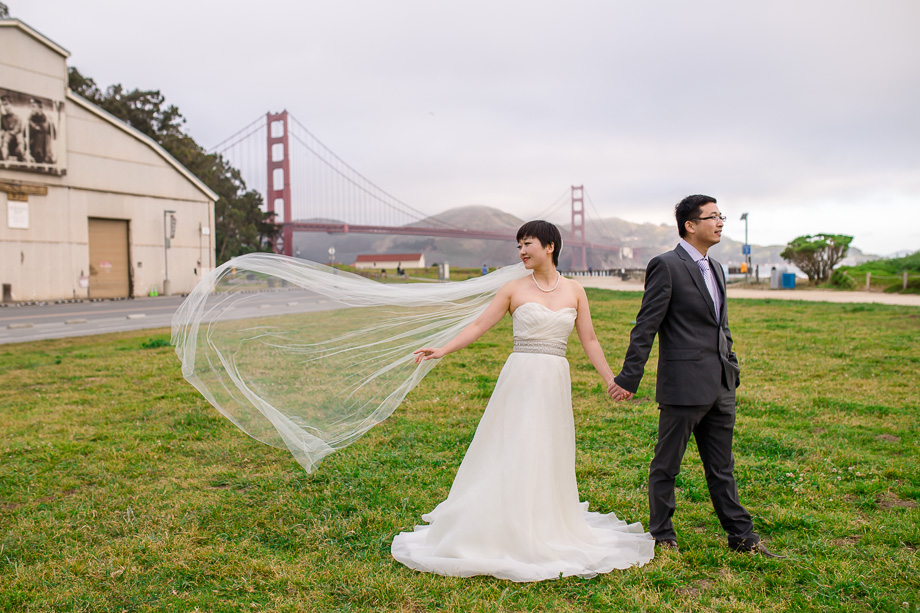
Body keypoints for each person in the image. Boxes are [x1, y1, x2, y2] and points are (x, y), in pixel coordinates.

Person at [391, 220, 654, 582]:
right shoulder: (513, 288)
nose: (521, 252)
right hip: (520, 376)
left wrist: (612, 380)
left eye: (527, 244)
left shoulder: (576, 291)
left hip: (554, 380)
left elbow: (589, 340)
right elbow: (478, 326)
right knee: (512, 444)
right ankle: (501, 520)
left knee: (547, 448)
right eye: (518, 246)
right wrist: (443, 349)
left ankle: (543, 519)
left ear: (549, 246)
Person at [607, 195, 783, 558]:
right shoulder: (666, 266)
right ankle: (663, 534)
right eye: (713, 217)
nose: (720, 223)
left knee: (722, 467)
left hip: (721, 384)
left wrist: (730, 364)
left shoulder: (716, 268)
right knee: (667, 464)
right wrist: (628, 378)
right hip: (683, 385)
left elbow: (721, 325)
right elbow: (646, 326)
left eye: (722, 216)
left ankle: (741, 536)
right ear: (690, 225)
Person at [28, 98, 56, 164]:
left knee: (47, 136)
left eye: (34, 107)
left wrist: (51, 123)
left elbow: (54, 135)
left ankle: (48, 157)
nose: (32, 109)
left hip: (45, 147)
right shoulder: (30, 120)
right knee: (40, 135)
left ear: (40, 108)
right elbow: (26, 135)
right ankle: (40, 155)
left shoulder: (47, 120)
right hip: (34, 147)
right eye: (31, 107)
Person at [0, 95, 26, 162]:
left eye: (6, 104)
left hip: (15, 141)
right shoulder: (3, 118)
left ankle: (20, 152)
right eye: (3, 105)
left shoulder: (17, 118)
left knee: (19, 136)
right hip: (7, 141)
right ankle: (4, 154)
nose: (5, 107)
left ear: (11, 104)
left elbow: (16, 130)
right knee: (4, 137)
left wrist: (7, 133)